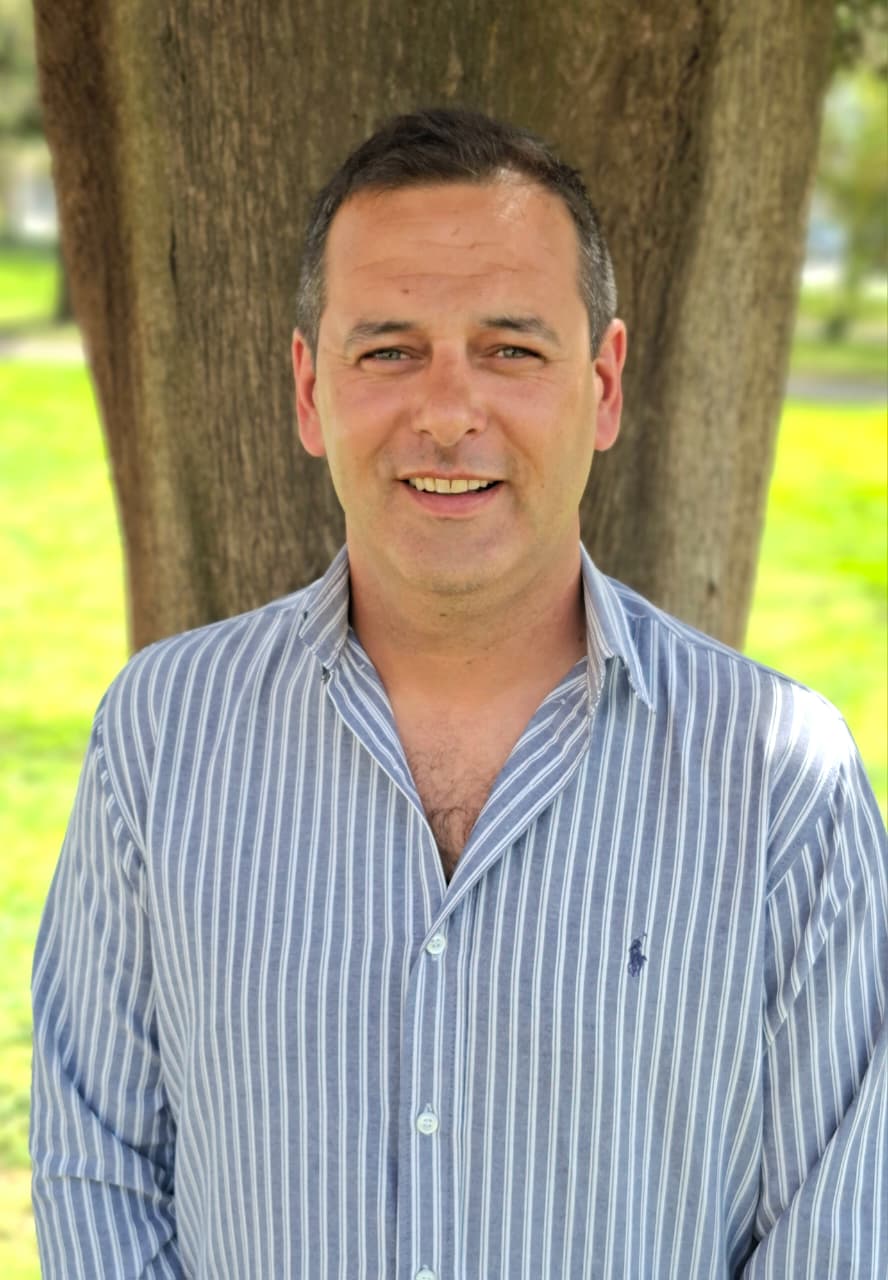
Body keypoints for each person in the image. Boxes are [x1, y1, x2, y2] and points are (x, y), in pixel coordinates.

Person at [31, 108, 886, 1279]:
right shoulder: (161, 736)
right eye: (389, 350)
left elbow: (839, 1227)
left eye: (510, 350)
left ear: (603, 385)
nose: (446, 410)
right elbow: (98, 1164)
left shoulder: (782, 787)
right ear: (308, 389)